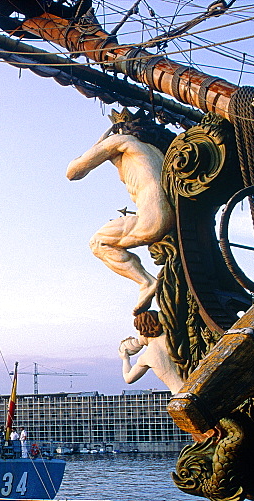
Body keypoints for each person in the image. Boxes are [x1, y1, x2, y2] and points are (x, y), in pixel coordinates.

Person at [66, 111, 176, 313]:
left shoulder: (120, 141)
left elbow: (73, 172)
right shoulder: (152, 151)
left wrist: (100, 144)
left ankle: (146, 282)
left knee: (98, 242)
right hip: (169, 213)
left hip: (152, 220)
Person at [119, 310, 185, 393]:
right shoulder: (173, 336)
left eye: (137, 333)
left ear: (143, 331)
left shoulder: (147, 356)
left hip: (180, 394)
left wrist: (125, 359)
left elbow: (128, 378)